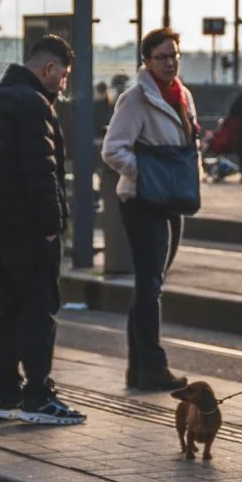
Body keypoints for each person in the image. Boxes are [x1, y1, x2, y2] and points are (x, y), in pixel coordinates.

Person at [0, 33, 83, 426]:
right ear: (48, 68)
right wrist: (52, 228)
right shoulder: (34, 105)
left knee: (5, 309)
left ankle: (6, 394)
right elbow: (41, 173)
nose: (63, 85)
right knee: (38, 310)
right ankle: (37, 394)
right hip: (30, 230)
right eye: (63, 76)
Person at [103, 28, 199, 391]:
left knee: (150, 285)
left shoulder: (183, 95)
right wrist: (147, 174)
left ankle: (139, 368)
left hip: (171, 199)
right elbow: (113, 150)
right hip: (142, 201)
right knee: (150, 285)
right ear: (146, 61)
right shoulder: (135, 99)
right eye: (162, 57)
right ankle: (152, 367)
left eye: (175, 55)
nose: (171, 62)